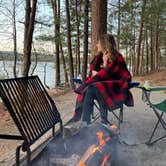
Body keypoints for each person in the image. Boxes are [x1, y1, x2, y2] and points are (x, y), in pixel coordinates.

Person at [71, 34, 133, 126]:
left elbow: (110, 75)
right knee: (90, 89)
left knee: (94, 87)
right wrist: (101, 70)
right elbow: (96, 74)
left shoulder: (117, 57)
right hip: (101, 87)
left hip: (116, 87)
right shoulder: (98, 57)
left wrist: (103, 67)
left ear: (104, 44)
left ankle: (91, 121)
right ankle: (89, 121)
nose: (97, 45)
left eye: (98, 43)